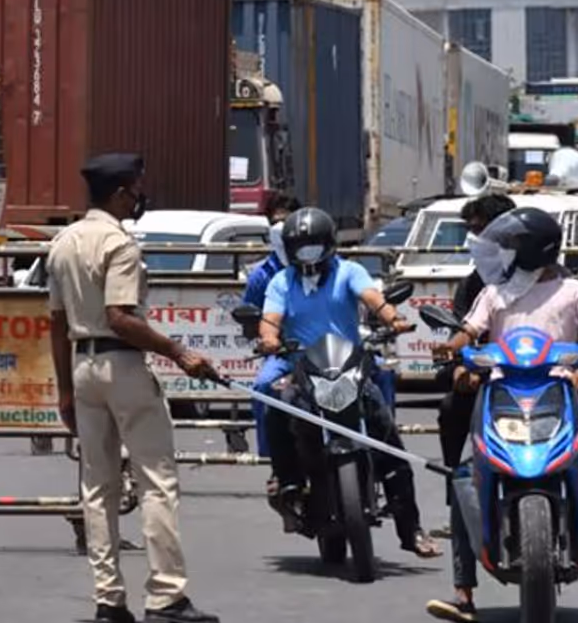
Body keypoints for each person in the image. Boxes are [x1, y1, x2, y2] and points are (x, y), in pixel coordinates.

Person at [425, 207, 578, 623]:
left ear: (530, 250)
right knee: (464, 482)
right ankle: (463, 594)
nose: (505, 253)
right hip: (502, 389)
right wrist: (451, 350)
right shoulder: (495, 292)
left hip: (558, 388)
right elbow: (469, 332)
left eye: (512, 246)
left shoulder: (571, 290)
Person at [47, 153, 220, 623]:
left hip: (83, 369)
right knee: (156, 483)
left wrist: (64, 390)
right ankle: (166, 596)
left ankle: (109, 599)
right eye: (137, 188)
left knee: (97, 488)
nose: (140, 196)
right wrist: (180, 353)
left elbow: (57, 325)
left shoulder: (63, 243)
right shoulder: (119, 245)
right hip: (122, 367)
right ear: (121, 191)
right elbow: (121, 318)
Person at [257, 207, 442, 558]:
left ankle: (412, 529)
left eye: (314, 248)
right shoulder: (281, 282)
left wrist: (394, 318)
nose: (307, 257)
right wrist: (268, 337)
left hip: (350, 368)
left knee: (388, 438)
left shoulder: (349, 271)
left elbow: (373, 299)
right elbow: (270, 319)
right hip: (304, 369)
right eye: (300, 249)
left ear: (328, 246)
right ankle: (289, 482)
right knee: (277, 408)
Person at [241, 191, 301, 458]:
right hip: (285, 353)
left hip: (328, 349)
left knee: (379, 375)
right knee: (264, 386)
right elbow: (252, 324)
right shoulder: (264, 277)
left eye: (287, 223)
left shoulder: (331, 266)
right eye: (276, 224)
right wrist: (267, 338)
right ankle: (272, 459)